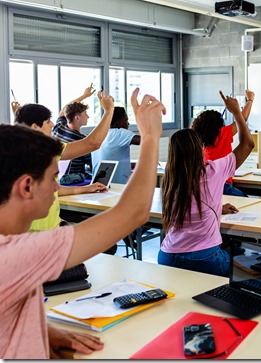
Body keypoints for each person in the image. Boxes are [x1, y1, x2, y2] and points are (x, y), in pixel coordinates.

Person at [0, 88, 165, 359]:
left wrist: (44, 332)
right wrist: (150, 137)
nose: (57, 186)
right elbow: (133, 213)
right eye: (53, 178)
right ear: (27, 186)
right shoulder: (16, 254)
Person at [159, 91, 254, 277]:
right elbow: (248, 144)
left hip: (167, 256)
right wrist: (236, 112)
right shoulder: (212, 171)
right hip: (204, 258)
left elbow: (191, 207)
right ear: (199, 149)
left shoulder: (170, 179)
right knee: (249, 268)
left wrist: (216, 208)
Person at [13, 90, 115, 232]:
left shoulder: (10, 148)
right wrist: (109, 110)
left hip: (37, 227)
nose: (52, 125)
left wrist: (85, 189)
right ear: (35, 127)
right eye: (47, 122)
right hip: (40, 232)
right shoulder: (45, 150)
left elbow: (49, 188)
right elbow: (93, 143)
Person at [190, 89, 255, 197]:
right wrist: (250, 100)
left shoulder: (198, 140)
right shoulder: (222, 134)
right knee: (247, 199)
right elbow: (243, 119)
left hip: (207, 188)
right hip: (223, 186)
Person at [52, 85, 98, 181]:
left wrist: (84, 95)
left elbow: (64, 109)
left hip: (56, 178)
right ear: (77, 118)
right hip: (74, 180)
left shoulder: (58, 127)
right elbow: (92, 164)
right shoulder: (83, 140)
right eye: (86, 114)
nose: (88, 117)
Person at [92, 106, 141, 184]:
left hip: (98, 185)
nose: (128, 124)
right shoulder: (119, 133)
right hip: (118, 187)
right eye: (126, 120)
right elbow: (146, 140)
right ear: (119, 123)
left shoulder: (98, 134)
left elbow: (109, 160)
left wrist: (131, 165)